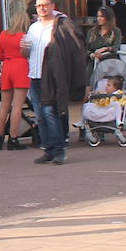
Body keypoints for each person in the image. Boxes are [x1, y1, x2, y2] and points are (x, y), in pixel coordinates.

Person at [37, 13, 86, 164]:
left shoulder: (56, 46)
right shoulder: (66, 43)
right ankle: (52, 150)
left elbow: (58, 73)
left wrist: (60, 94)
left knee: (51, 117)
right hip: (51, 85)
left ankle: (57, 150)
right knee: (50, 117)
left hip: (51, 87)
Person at [21, 0, 59, 161]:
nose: (42, 8)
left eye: (45, 5)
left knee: (51, 113)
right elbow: (26, 53)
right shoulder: (33, 28)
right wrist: (23, 47)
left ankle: (58, 150)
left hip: (50, 76)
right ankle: (48, 149)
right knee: (40, 115)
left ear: (52, 6)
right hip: (34, 75)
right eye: (38, 6)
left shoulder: (57, 26)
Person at [0, 7, 32, 149]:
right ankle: (13, 138)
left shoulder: (3, 35)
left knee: (4, 106)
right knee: (17, 106)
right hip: (21, 67)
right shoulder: (24, 36)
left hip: (7, 68)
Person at [86, 4, 123, 82]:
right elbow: (86, 48)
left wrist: (105, 49)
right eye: (98, 16)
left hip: (110, 62)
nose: (98, 18)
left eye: (102, 16)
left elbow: (116, 46)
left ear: (108, 18)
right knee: (89, 80)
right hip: (93, 62)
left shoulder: (116, 31)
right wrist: (92, 54)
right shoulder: (92, 32)